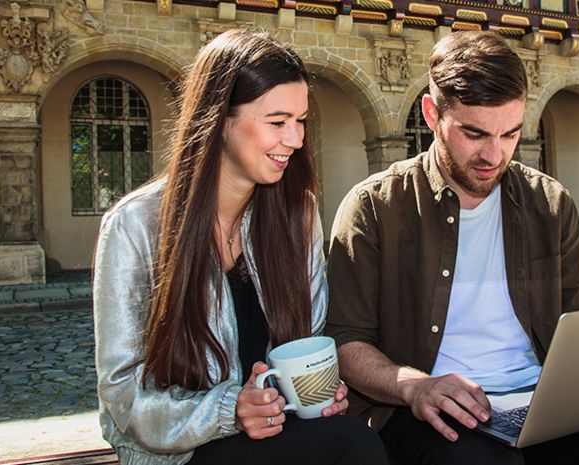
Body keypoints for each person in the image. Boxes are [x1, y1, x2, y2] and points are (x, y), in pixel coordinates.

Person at [326, 30, 579, 465]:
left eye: (510, 134)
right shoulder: (374, 206)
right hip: (428, 411)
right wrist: (413, 384)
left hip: (546, 404)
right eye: (474, 133)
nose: (494, 154)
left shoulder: (551, 203)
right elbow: (345, 340)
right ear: (431, 113)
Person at [92, 29, 387, 465]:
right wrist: (231, 409)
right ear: (220, 119)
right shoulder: (135, 225)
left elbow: (312, 335)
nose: (296, 139)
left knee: (350, 438)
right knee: (353, 445)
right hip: (183, 451)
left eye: (301, 121)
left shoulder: (296, 212)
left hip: (279, 433)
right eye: (277, 122)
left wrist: (319, 388)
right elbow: (123, 394)